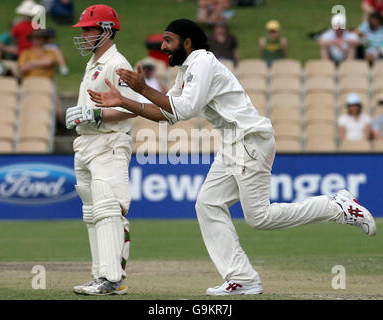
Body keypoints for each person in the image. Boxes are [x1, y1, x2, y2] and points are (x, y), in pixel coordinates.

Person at [88, 19, 377, 296]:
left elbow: (184, 110)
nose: (162, 47)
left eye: (168, 40)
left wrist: (142, 89)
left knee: (259, 218)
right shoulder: (187, 69)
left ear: (187, 43)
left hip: (249, 139)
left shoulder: (203, 61)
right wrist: (126, 101)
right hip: (232, 143)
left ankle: (337, 208)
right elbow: (167, 113)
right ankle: (240, 278)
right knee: (208, 204)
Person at [64, 4, 138, 296]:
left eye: (88, 30)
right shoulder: (94, 62)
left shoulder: (117, 64)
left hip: (109, 142)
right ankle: (100, 276)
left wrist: (95, 116)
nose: (83, 35)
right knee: (93, 212)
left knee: (109, 209)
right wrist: (85, 115)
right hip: (86, 144)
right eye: (82, 30)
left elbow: (130, 109)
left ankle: (112, 278)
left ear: (106, 30)